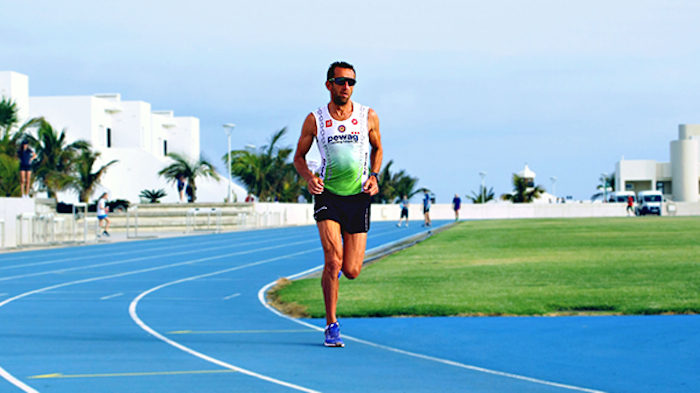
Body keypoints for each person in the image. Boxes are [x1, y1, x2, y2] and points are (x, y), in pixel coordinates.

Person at [293, 61, 382, 348]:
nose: (346, 87)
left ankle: (336, 290)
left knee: (352, 270)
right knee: (333, 261)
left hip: (358, 197)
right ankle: (332, 325)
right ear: (329, 84)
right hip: (327, 194)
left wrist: (375, 176)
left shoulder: (367, 116)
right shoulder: (315, 119)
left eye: (351, 82)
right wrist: (309, 177)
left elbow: (378, 148)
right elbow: (299, 157)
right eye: (341, 81)